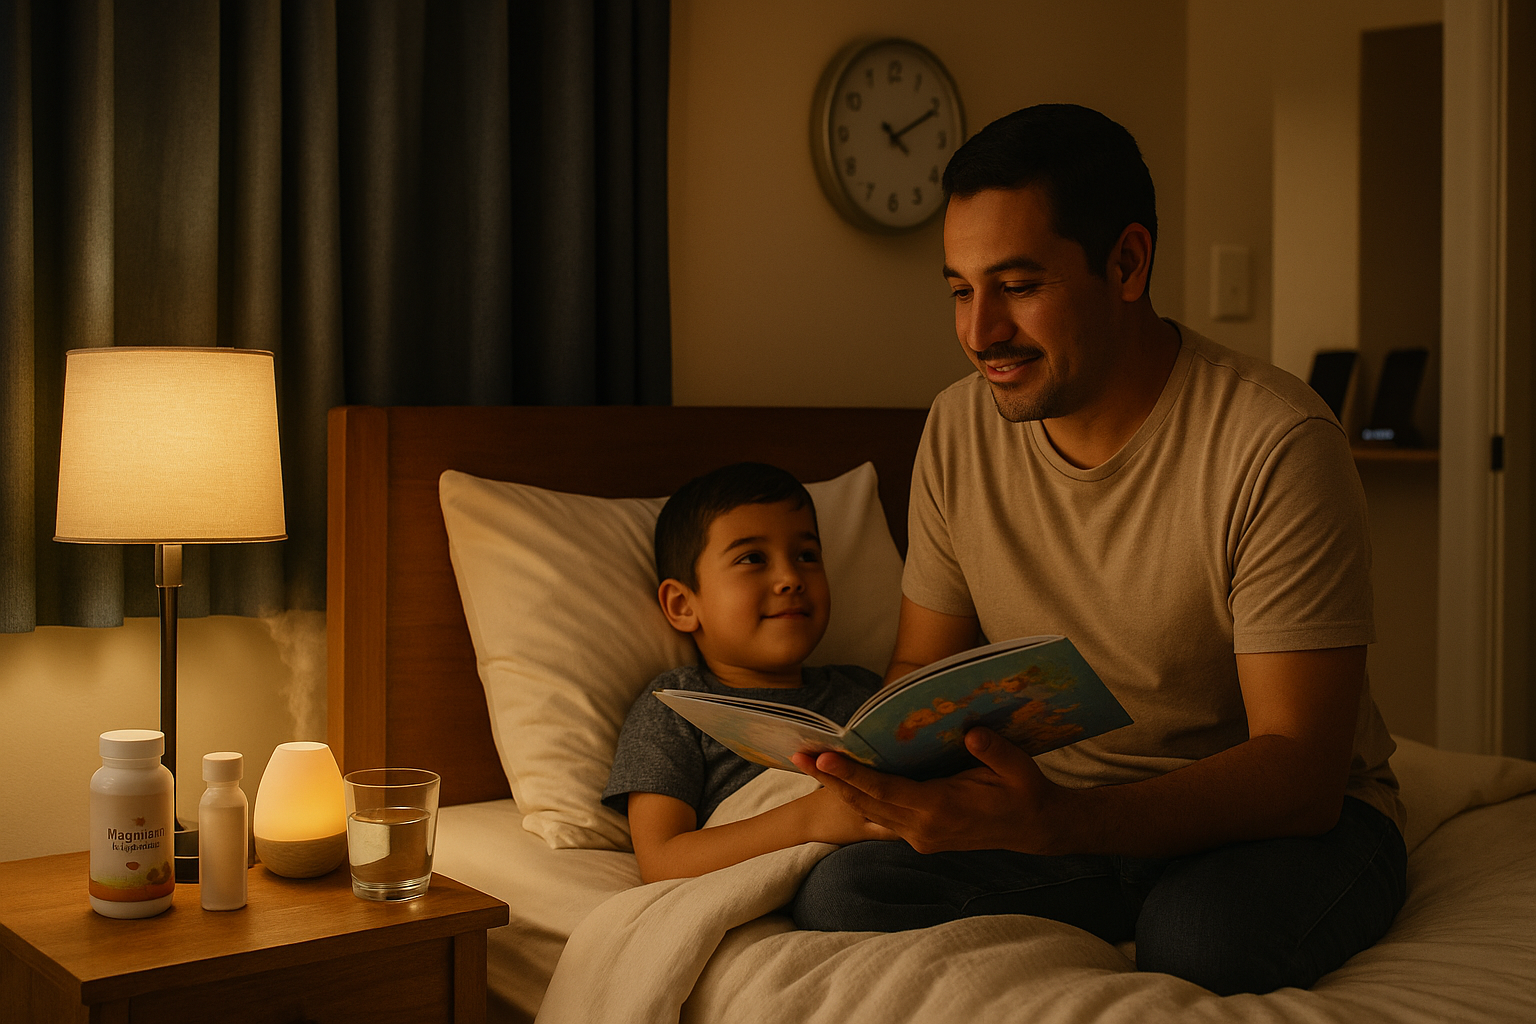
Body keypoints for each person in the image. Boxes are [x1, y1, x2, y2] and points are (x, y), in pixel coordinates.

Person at [789, 104, 1408, 996]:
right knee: (848, 891)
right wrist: (880, 767)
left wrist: (1068, 824)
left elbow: (1302, 771)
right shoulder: (958, 427)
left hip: (1277, 820)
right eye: (961, 290)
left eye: (1018, 285)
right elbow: (925, 662)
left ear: (1126, 263)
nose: (979, 332)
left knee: (1199, 940)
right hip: (1063, 811)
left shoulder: (1274, 442)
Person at [603, 462, 893, 883]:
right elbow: (662, 861)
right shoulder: (676, 706)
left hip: (915, 859)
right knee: (841, 887)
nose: (791, 578)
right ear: (684, 605)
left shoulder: (865, 691)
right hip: (828, 878)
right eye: (753, 558)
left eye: (807, 556)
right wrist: (810, 819)